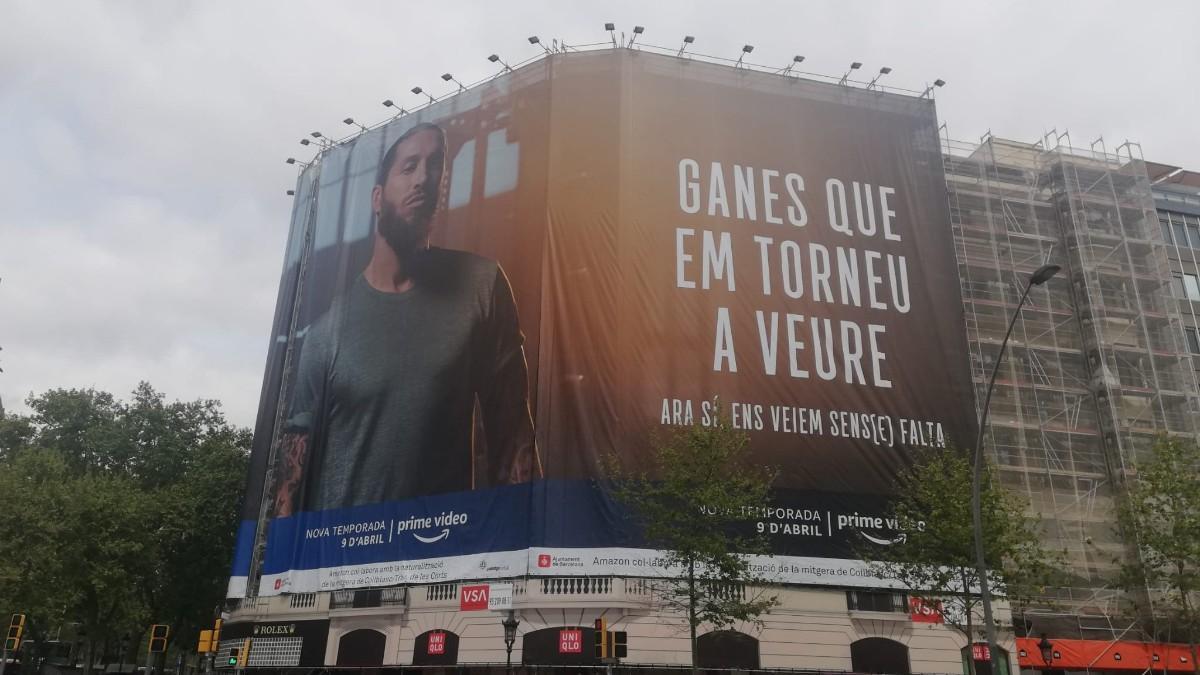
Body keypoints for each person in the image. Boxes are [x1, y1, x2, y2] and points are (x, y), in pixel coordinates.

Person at [273, 122, 541, 516]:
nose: (424, 179)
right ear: (377, 198)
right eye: (409, 166)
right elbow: (290, 478)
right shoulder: (324, 334)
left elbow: (514, 435)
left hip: (438, 557)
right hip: (339, 560)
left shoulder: (480, 284)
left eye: (435, 166)